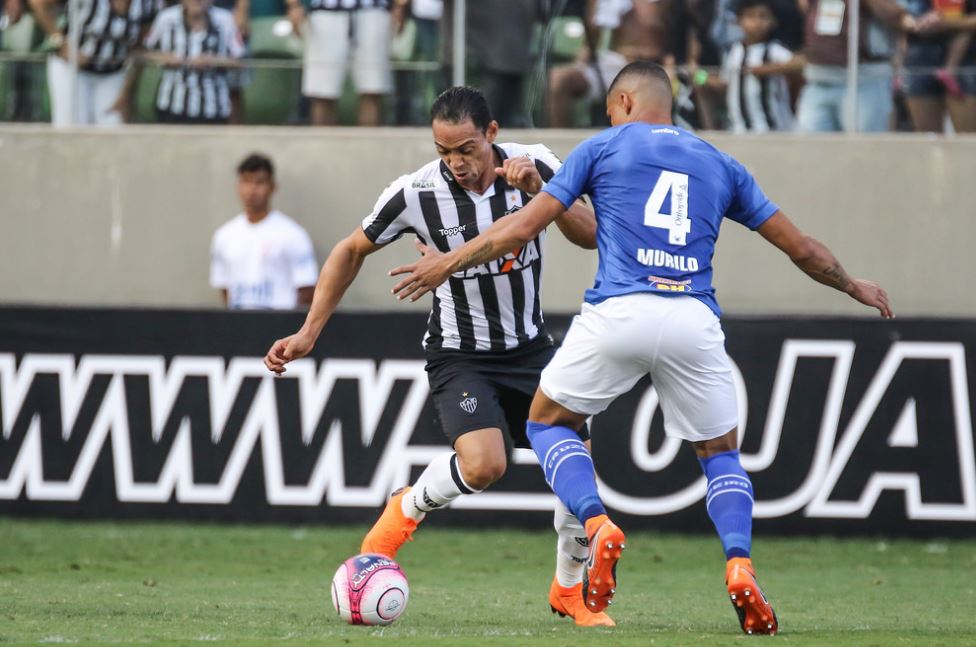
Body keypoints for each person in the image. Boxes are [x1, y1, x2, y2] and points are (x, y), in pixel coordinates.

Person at [387, 62, 894, 633]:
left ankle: (599, 523)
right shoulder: (720, 162)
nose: (608, 115)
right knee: (720, 454)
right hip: (693, 319)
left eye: (609, 107)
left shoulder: (601, 148)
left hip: (619, 311)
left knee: (548, 424)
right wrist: (853, 285)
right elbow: (801, 248)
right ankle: (739, 563)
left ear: (624, 101)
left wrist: (445, 263)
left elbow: (519, 230)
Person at [263, 87, 613, 627]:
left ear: (492, 134)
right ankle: (408, 506)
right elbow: (349, 249)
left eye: (466, 149)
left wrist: (542, 191)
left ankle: (568, 591)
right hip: (460, 354)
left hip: (531, 350)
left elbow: (591, 236)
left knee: (575, 472)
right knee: (485, 464)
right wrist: (310, 330)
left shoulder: (537, 162)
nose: (456, 163)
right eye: (444, 150)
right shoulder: (415, 194)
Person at [211, 153, 319, 309]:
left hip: (279, 325)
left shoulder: (293, 234)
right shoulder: (224, 235)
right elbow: (225, 288)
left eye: (259, 182)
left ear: (272, 187)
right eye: (247, 181)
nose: (252, 189)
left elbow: (307, 289)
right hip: (238, 326)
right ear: (238, 186)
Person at [548, 0, 677, 128]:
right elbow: (591, 39)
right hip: (616, 63)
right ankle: (560, 141)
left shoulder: (663, 5)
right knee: (559, 79)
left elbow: (666, 35)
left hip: (653, 67)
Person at [30, 0, 156, 126]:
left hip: (112, 73)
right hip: (72, 70)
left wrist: (126, 92)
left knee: (112, 126)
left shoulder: (146, 4)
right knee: (73, 125)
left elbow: (138, 47)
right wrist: (60, 41)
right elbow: (38, 3)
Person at [796, 0, 915, 132]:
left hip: (865, 81)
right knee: (810, 148)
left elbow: (903, 18)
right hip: (818, 79)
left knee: (865, 149)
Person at [287, 0, 404, 126]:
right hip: (325, 12)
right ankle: (321, 144)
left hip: (374, 10)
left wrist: (400, 6)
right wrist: (293, 5)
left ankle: (369, 144)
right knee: (322, 92)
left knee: (372, 90)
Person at [143, 0, 245, 124]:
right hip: (171, 105)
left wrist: (214, 61)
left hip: (214, 108)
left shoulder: (225, 20)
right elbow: (146, 53)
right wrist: (165, 59)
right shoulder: (166, 18)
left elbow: (239, 62)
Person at [717, 0, 803, 132]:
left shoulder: (774, 49)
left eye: (763, 17)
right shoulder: (734, 50)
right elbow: (725, 82)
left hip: (772, 129)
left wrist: (766, 69)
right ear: (739, 21)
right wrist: (701, 78)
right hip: (740, 129)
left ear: (773, 21)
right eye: (751, 17)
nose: (757, 23)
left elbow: (799, 63)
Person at [900, 0, 976, 132]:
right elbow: (899, 15)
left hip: (965, 62)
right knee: (928, 142)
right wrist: (909, 22)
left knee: (968, 142)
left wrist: (947, 23)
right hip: (920, 57)